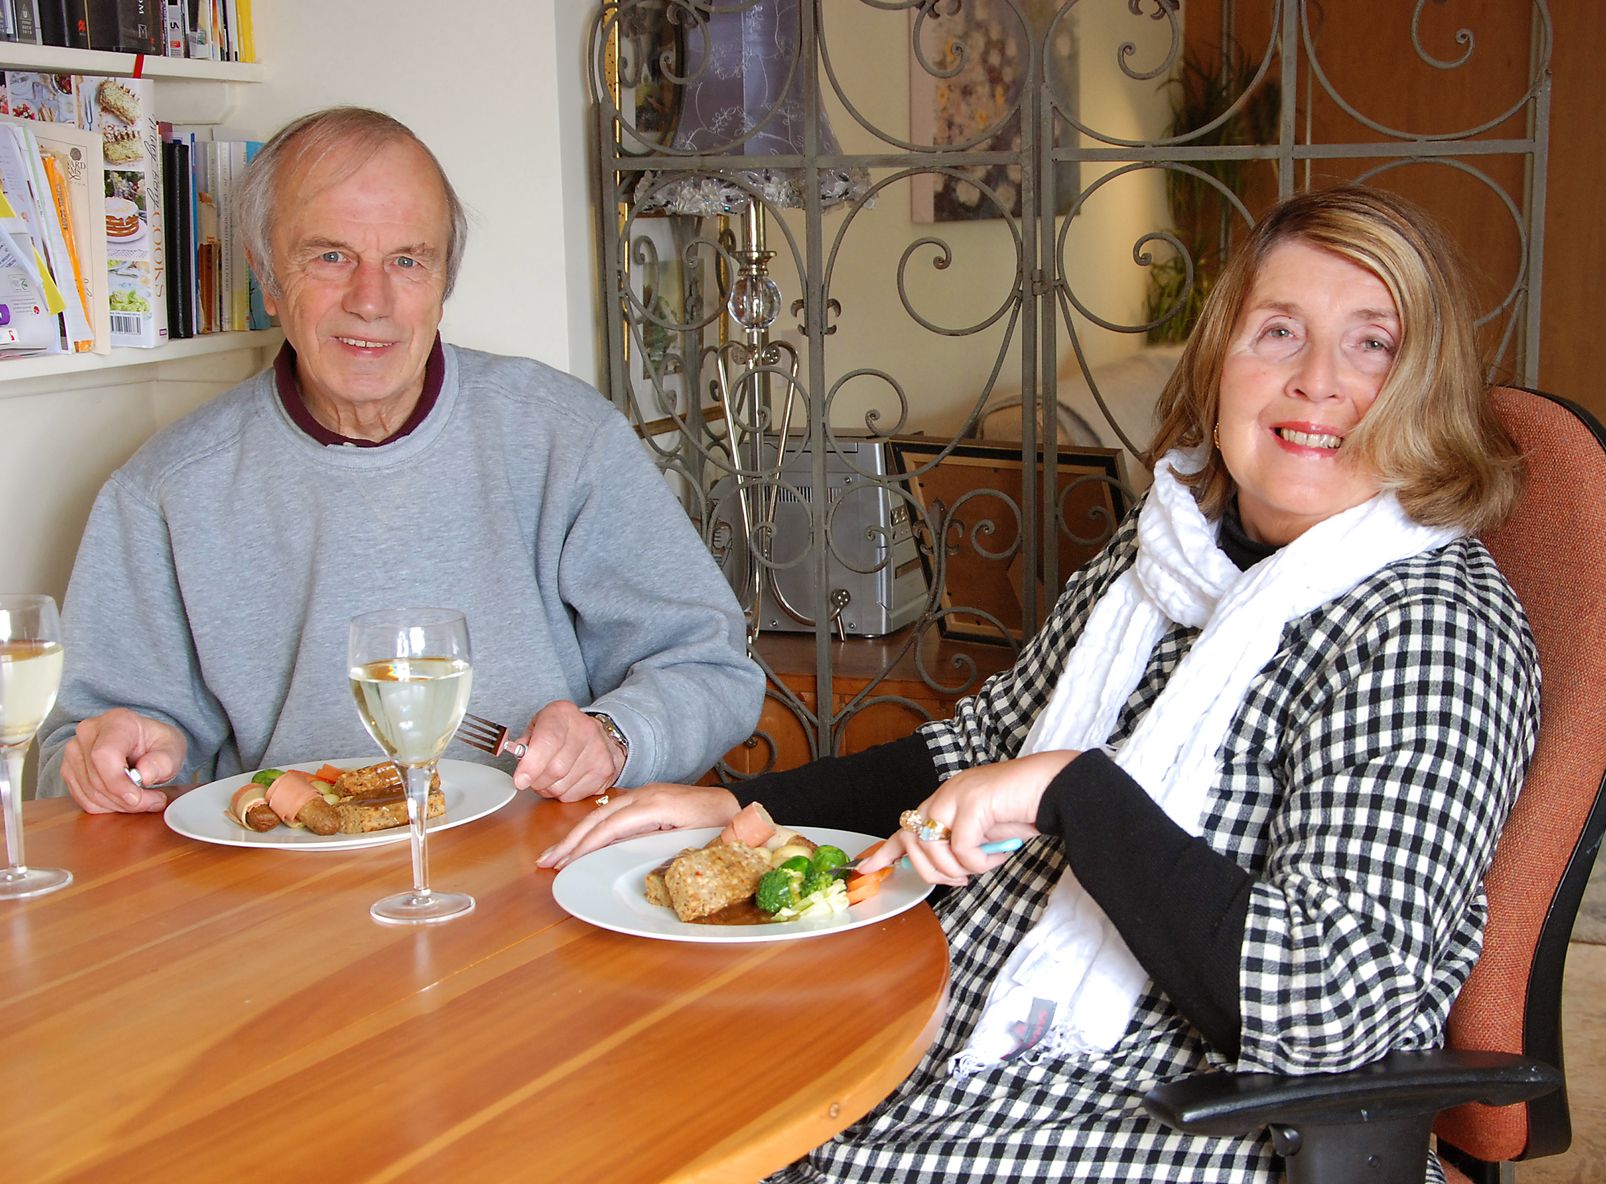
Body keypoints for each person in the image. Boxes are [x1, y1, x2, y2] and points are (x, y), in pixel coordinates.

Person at [537, 185, 1542, 1183]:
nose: (1317, 381)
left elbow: (1330, 1009)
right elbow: (975, 750)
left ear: (1426, 386)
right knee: (632, 1088)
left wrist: (1071, 792)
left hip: (1170, 1101)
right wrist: (739, 803)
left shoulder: (1429, 627)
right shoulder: (1161, 554)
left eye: (1372, 344)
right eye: (1279, 332)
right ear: (1221, 363)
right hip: (963, 1001)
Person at [39, 106, 763, 812]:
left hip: (545, 873)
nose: (371, 299)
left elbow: (710, 666)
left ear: (443, 282)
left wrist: (613, 736)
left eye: (408, 261)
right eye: (330, 256)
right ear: (266, 277)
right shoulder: (163, 489)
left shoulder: (564, 436)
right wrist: (124, 756)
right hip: (286, 893)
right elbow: (79, 750)